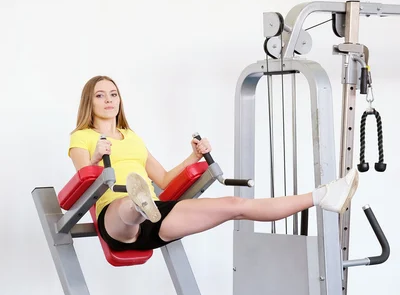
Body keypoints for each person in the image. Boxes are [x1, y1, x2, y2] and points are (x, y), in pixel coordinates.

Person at [68, 75, 359, 252]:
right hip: (115, 220)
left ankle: (322, 196)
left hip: (158, 217)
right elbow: (84, 178)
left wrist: (193, 158)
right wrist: (95, 159)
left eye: (113, 94)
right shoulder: (82, 137)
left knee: (235, 205)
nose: (109, 100)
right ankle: (137, 204)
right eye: (100, 95)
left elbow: (167, 180)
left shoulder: (132, 137)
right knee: (128, 208)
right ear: (88, 103)